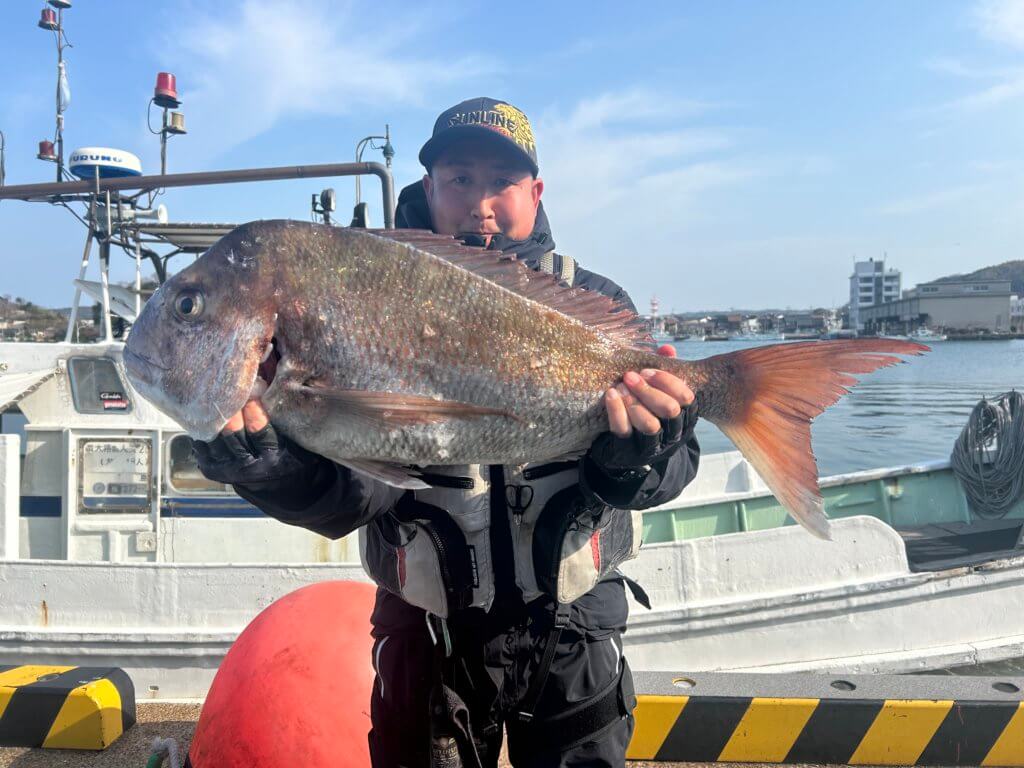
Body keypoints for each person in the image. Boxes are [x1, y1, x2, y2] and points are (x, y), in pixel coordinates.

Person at [193, 97, 701, 768]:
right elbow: (355, 498)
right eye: (460, 178)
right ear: (429, 188)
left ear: (536, 192)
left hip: (574, 623)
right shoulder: (365, 292)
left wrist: (632, 456)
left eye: (501, 181)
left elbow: (673, 470)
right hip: (425, 626)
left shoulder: (598, 304)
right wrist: (275, 473)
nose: (480, 203)